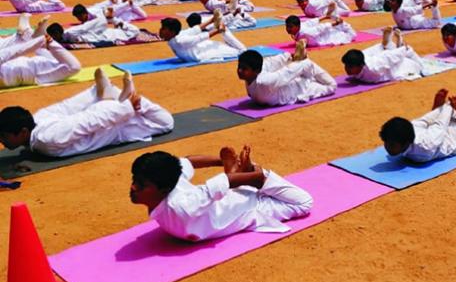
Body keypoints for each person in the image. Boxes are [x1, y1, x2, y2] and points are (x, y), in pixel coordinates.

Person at [129, 145, 313, 242]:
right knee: (230, 185)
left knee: (304, 203)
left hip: (253, 207)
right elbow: (192, 164)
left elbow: (190, 164)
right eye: (135, 180)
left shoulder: (182, 206)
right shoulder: (169, 186)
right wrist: (227, 165)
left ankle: (257, 175)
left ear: (164, 189)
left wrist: (254, 177)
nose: (133, 187)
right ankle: (247, 172)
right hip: (234, 201)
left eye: (140, 184)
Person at [0, 69, 173, 157]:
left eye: (4, 136)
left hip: (114, 128)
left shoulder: (46, 139)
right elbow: (69, 108)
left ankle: (115, 97)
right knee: (71, 110)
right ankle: (110, 95)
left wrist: (127, 107)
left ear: (23, 131)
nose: (2, 141)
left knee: (167, 123)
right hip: (110, 122)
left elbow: (88, 120)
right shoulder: (37, 120)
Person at [378, 89, 456, 163]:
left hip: (452, 136)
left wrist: (449, 106)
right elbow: (423, 121)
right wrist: (441, 109)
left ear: (406, 143)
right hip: (434, 132)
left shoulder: (424, 148)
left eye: (392, 145)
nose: (387, 147)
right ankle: (444, 111)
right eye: (386, 142)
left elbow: (440, 125)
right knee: (427, 121)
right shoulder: (409, 128)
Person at [236, 43, 336, 107]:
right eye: (239, 67)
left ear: (256, 70)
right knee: (277, 66)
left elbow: (287, 73)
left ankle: (303, 62)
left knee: (332, 86)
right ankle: (300, 62)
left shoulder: (264, 82)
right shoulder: (252, 76)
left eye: (244, 69)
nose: (239, 71)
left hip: (303, 88)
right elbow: (269, 63)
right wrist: (288, 57)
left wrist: (299, 60)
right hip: (290, 84)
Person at [341, 27, 425, 83]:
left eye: (350, 67)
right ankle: (387, 45)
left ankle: (399, 46)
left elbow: (389, 57)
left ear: (360, 66)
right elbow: (370, 52)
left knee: (420, 66)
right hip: (375, 58)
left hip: (397, 66)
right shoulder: (362, 58)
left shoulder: (374, 68)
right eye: (346, 66)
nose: (346, 69)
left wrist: (403, 49)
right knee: (376, 51)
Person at [159, 15, 246, 62]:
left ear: (172, 32)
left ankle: (226, 31)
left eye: (163, 28)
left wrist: (215, 25)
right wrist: (214, 25)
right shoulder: (177, 38)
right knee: (228, 45)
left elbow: (197, 34)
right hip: (203, 51)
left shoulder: (180, 40)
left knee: (242, 52)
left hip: (207, 51)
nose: (160, 30)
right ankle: (225, 32)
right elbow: (196, 32)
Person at [284, 14, 356, 47]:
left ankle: (342, 23)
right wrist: (324, 17)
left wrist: (335, 23)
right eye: (287, 26)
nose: (288, 29)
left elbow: (320, 28)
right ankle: (340, 24)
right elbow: (310, 22)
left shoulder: (305, 33)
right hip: (320, 35)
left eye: (290, 27)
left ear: (297, 26)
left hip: (324, 38)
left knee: (351, 35)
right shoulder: (301, 26)